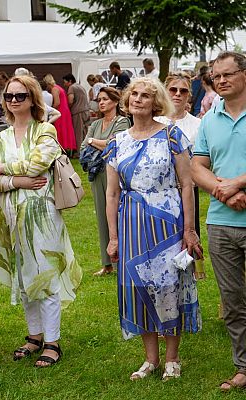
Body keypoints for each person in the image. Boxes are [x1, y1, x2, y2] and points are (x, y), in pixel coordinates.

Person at [104, 77, 202, 381]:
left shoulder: (171, 135)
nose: (139, 99)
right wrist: (113, 237)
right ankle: (150, 359)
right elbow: (111, 193)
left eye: (146, 95)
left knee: (167, 283)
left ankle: (172, 358)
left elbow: (187, 184)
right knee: (138, 286)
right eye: (134, 94)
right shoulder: (117, 142)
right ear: (127, 99)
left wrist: (188, 229)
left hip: (167, 220)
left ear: (156, 102)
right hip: (131, 221)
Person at [0, 75, 82, 368]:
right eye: (9, 96)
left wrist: (4, 169)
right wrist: (18, 180)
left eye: (20, 95)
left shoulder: (45, 129)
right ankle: (34, 335)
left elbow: (41, 162)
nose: (14, 100)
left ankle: (52, 341)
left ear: (33, 98)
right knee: (25, 278)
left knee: (45, 275)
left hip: (42, 216)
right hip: (11, 218)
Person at [191, 51, 246, 392]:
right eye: (216, 76)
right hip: (222, 222)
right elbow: (198, 166)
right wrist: (225, 191)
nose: (221, 80)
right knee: (233, 300)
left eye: (227, 74)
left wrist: (238, 183)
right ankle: (243, 367)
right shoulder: (209, 118)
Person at [80, 87, 131, 276]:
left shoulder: (122, 121)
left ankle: (122, 260)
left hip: (116, 173)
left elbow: (116, 144)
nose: (101, 103)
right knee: (102, 216)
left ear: (115, 102)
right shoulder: (96, 123)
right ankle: (107, 263)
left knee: (117, 215)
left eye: (105, 99)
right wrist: (98, 142)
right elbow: (83, 145)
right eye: (99, 100)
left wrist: (94, 141)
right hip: (97, 173)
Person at [155, 71, 202, 236]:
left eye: (183, 91)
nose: (177, 94)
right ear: (165, 91)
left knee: (188, 237)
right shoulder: (155, 122)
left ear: (188, 95)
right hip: (159, 190)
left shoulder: (198, 124)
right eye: (173, 89)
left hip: (187, 188)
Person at [43, 73, 76, 152]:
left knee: (60, 129)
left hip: (60, 111)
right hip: (65, 110)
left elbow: (57, 102)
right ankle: (67, 147)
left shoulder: (54, 89)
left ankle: (61, 148)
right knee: (66, 129)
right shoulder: (59, 87)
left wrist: (51, 111)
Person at [62, 73, 90, 156]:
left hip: (78, 112)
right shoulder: (80, 86)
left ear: (70, 81)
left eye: (65, 82)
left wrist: (68, 108)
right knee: (85, 132)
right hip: (86, 110)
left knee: (78, 133)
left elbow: (70, 100)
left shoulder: (72, 87)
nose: (64, 84)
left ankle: (79, 153)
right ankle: (86, 150)